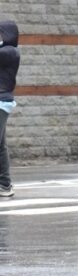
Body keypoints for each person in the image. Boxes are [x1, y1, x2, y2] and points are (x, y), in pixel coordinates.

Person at [0, 19, 20, 200]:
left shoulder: (9, 52)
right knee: (1, 146)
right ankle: (5, 185)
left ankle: (5, 185)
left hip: (1, 102)